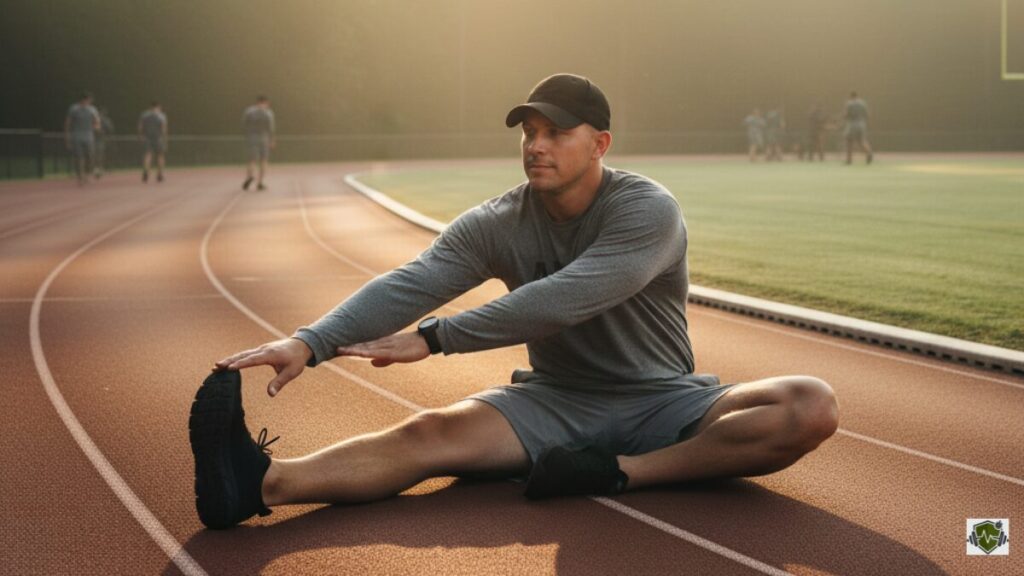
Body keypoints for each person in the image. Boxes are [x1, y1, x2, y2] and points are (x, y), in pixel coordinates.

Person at [190, 73, 839, 530]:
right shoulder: (497, 221)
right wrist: (310, 342)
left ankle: (620, 473)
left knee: (809, 405)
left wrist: (436, 337)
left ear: (601, 144)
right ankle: (261, 484)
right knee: (429, 433)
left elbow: (569, 298)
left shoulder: (648, 210)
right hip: (554, 401)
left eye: (555, 132)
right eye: (529, 131)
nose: (536, 144)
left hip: (664, 398)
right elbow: (414, 281)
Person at [64, 92, 100, 185]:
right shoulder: (74, 109)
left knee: (89, 156)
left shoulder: (92, 110)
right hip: (76, 136)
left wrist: (96, 127)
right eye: (88, 100)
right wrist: (67, 136)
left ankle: (87, 175)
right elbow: (68, 123)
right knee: (78, 157)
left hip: (89, 136)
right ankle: (80, 177)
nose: (90, 102)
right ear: (84, 100)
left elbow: (97, 123)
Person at [242, 95, 275, 190]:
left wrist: (247, 135)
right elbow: (271, 128)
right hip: (264, 138)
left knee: (252, 160)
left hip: (252, 138)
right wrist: (272, 139)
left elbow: (244, 124)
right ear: (266, 103)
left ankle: (250, 176)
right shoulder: (268, 113)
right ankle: (260, 182)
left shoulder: (249, 111)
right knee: (263, 161)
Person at [138, 102, 168, 182]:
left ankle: (146, 171)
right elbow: (163, 128)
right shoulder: (161, 115)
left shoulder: (144, 115)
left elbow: (140, 127)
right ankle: (160, 174)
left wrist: (141, 136)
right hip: (158, 138)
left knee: (148, 155)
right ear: (158, 107)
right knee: (160, 156)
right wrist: (164, 138)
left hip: (147, 137)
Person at [843, 91, 873, 165]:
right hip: (862, 124)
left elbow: (847, 114)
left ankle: (849, 160)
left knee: (849, 141)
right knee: (862, 141)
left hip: (852, 124)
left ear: (851, 96)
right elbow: (868, 115)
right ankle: (869, 152)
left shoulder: (849, 103)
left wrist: (843, 117)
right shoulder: (863, 103)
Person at [93, 107, 115, 179]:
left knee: (98, 154)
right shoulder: (105, 120)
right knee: (100, 154)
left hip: (98, 139)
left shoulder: (99, 119)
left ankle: (98, 169)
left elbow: (110, 129)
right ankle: (99, 169)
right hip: (99, 139)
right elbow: (110, 129)